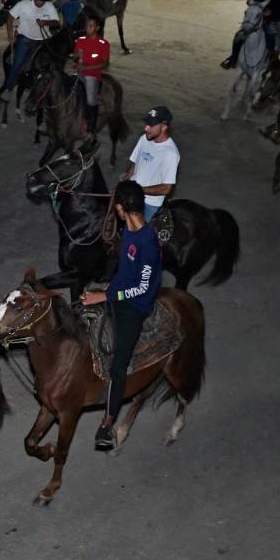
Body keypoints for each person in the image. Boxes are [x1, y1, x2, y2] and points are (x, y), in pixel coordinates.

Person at [78, 180, 162, 452]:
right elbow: (125, 272)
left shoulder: (148, 243)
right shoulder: (127, 230)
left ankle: (108, 422)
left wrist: (105, 297)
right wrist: (105, 288)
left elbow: (142, 287)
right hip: (117, 291)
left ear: (121, 208)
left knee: (118, 366)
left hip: (135, 307)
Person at [0, 0, 61, 101]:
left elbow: (56, 22)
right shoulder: (24, 5)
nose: (41, 2)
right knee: (17, 63)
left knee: (57, 60)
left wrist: (46, 22)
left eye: (43, 0)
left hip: (45, 39)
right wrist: (10, 34)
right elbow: (10, 16)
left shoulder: (49, 6)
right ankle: (8, 89)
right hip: (26, 38)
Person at [122, 106, 180, 223]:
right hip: (131, 193)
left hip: (148, 202)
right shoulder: (144, 139)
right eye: (147, 124)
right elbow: (135, 163)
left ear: (164, 127)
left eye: (151, 125)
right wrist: (123, 184)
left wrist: (138, 190)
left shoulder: (171, 153)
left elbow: (166, 188)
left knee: (134, 232)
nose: (146, 128)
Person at [73, 13, 110, 134]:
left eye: (91, 26)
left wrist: (87, 67)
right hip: (78, 72)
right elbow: (75, 56)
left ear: (97, 27)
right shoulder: (80, 40)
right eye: (87, 26)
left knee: (91, 100)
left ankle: (91, 126)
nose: (88, 28)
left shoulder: (103, 44)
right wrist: (76, 56)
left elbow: (105, 63)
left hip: (92, 75)